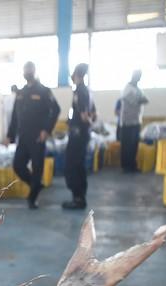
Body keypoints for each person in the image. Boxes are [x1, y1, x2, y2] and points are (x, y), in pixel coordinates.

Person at [7, 62, 60, 209]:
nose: (27, 72)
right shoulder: (21, 92)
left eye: (29, 69)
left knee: (38, 168)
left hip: (38, 137)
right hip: (23, 136)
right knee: (17, 165)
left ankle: (33, 198)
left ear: (34, 71)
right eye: (25, 70)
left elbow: (56, 110)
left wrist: (46, 130)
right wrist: (9, 135)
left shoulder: (44, 91)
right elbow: (14, 116)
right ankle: (35, 185)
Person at [63, 63, 93, 210]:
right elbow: (93, 113)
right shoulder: (86, 91)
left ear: (76, 75)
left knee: (72, 165)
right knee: (79, 165)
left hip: (78, 135)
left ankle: (77, 198)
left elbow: (84, 115)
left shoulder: (80, 91)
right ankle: (80, 197)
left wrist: (86, 124)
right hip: (81, 134)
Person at [119, 70, 149, 173]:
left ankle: (132, 165)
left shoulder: (138, 89)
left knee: (134, 145)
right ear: (133, 76)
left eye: (140, 76)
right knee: (127, 145)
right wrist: (141, 100)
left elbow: (145, 99)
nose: (139, 78)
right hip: (128, 122)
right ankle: (126, 166)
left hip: (136, 121)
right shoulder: (127, 89)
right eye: (138, 76)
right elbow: (138, 101)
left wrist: (142, 99)